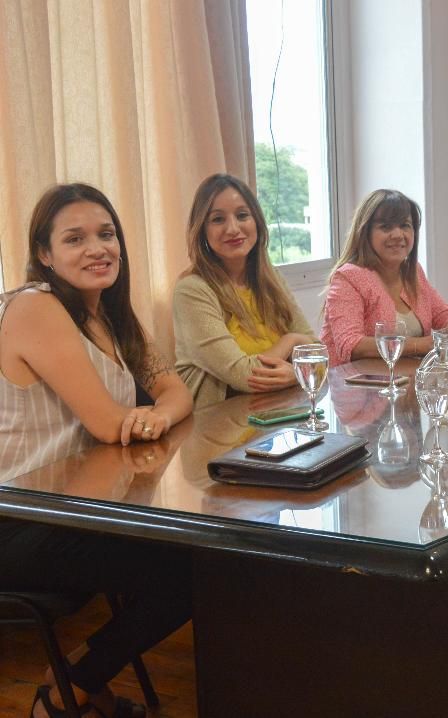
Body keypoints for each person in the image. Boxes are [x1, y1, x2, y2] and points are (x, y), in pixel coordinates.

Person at [0, 183, 192, 718]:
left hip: (74, 510)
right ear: (44, 254)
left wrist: (157, 413)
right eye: (75, 239)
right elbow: (110, 426)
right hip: (17, 520)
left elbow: (177, 391)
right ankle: (68, 689)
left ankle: (73, 681)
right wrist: (147, 414)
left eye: (106, 234)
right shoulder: (34, 307)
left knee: (202, 558)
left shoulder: (109, 315)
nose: (97, 248)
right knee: (194, 568)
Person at [173, 173, 316, 408]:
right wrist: (292, 341)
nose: (232, 228)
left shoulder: (271, 279)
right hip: (220, 422)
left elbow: (319, 354)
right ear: (202, 230)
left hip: (280, 414)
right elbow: (244, 376)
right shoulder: (191, 291)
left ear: (256, 221)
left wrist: (296, 374)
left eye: (242, 215)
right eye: (218, 219)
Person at [321, 189, 448, 367]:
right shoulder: (348, 277)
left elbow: (446, 315)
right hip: (354, 382)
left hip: (407, 379)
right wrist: (423, 345)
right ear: (365, 233)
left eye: (405, 225)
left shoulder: (413, 271)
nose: (398, 235)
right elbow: (351, 345)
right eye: (386, 227)